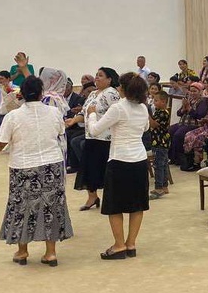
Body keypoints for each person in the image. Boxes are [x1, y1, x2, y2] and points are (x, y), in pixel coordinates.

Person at [0, 75, 72, 266]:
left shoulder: (13, 116)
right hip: (52, 164)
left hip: (23, 166)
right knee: (50, 206)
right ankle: (50, 253)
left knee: (21, 207)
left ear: (22, 94)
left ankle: (22, 251)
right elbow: (60, 132)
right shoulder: (54, 112)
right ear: (41, 93)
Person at [86, 73, 150, 259]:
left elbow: (95, 130)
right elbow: (145, 128)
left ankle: (119, 245)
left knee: (115, 205)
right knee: (137, 204)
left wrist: (91, 114)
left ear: (123, 88)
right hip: (139, 159)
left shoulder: (118, 108)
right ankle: (131, 243)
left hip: (119, 160)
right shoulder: (143, 107)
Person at [71, 67, 121, 210]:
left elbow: (117, 114)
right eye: (96, 75)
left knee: (104, 170)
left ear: (109, 79)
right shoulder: (93, 93)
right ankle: (92, 197)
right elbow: (84, 112)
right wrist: (73, 121)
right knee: (89, 168)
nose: (97, 78)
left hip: (106, 138)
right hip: (91, 135)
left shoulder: (111, 93)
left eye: (100, 75)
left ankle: (112, 199)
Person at [168, 82, 208, 164]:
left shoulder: (203, 102)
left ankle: (179, 159)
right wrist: (183, 108)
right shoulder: (188, 100)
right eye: (191, 91)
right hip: (183, 123)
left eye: (195, 91)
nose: (192, 93)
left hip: (194, 125)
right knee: (170, 130)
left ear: (200, 92)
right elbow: (178, 113)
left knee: (178, 134)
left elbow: (200, 115)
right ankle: (171, 157)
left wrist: (189, 108)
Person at [147, 90, 172, 199]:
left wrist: (147, 114)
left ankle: (159, 187)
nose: (154, 102)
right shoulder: (158, 111)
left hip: (160, 142)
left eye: (156, 100)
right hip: (158, 141)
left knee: (158, 165)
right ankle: (164, 186)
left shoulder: (163, 113)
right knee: (164, 164)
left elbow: (153, 124)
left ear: (163, 101)